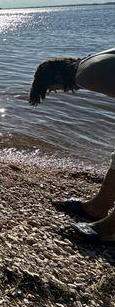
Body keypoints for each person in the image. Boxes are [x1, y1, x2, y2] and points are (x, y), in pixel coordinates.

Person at [29, 47, 115, 243]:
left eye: (52, 88)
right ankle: (98, 207)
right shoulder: (91, 61)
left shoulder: (85, 75)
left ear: (58, 77)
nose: (56, 91)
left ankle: (110, 228)